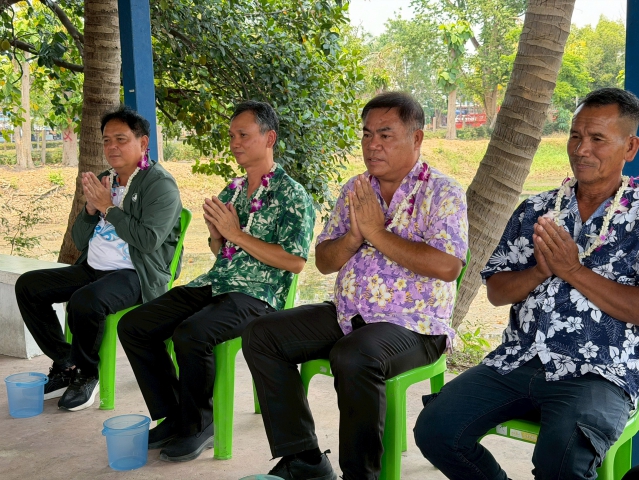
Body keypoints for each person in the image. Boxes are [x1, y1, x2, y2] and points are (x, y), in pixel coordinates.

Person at [414, 87, 639, 480]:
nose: (581, 149)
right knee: (436, 430)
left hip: (600, 370)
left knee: (561, 460)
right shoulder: (536, 209)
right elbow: (497, 292)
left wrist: (573, 270)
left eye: (597, 139)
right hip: (518, 359)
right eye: (575, 135)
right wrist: (540, 270)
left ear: (630, 147)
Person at [242, 91, 469, 480]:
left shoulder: (441, 191)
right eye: (367, 134)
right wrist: (353, 237)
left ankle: (361, 475)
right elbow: (324, 261)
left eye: (385, 135)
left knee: (353, 356)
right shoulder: (356, 188)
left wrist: (377, 233)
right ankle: (304, 460)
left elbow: (448, 266)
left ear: (416, 138)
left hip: (414, 325)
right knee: (262, 334)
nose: (372, 145)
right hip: (349, 314)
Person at [117, 100, 316, 463]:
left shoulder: (292, 195)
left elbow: (295, 262)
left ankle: (199, 425)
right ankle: (174, 415)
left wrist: (236, 235)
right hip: (216, 281)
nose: (235, 143)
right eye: (231, 135)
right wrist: (217, 235)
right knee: (135, 325)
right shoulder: (234, 189)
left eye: (244, 135)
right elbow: (220, 251)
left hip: (259, 293)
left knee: (192, 334)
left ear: (269, 138)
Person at [15, 106, 182, 412]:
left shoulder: (160, 184)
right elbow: (79, 241)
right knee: (29, 286)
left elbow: (148, 241)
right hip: (93, 268)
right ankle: (66, 363)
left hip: (136, 273)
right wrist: (91, 210)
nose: (111, 147)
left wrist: (108, 208)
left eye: (121, 139)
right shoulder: (107, 179)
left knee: (85, 301)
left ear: (143, 143)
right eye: (106, 140)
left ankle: (86, 373)